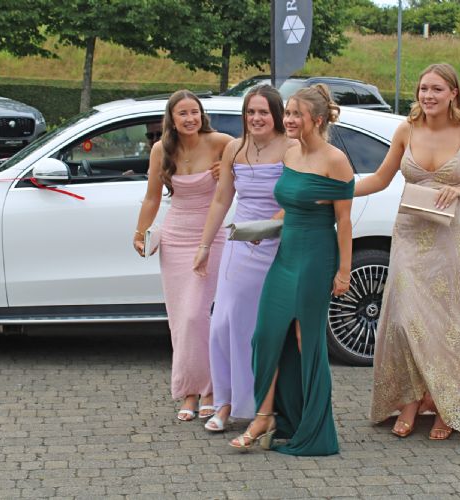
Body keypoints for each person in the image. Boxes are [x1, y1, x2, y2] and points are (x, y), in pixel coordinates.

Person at [354, 63, 460, 440]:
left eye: (437, 89)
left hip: (450, 240)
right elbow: (380, 179)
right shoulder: (406, 129)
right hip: (409, 236)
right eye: (424, 88)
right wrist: (336, 190)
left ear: (453, 93)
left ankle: (445, 405)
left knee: (446, 326)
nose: (428, 95)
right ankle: (409, 401)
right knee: (405, 321)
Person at [228, 84, 354, 455]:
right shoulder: (291, 152)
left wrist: (344, 271)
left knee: (305, 340)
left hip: (316, 257)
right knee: (265, 336)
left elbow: (344, 222)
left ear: (318, 119)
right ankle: (265, 416)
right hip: (285, 256)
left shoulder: (335, 161)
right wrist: (264, 228)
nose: (289, 120)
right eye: (288, 113)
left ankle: (311, 426)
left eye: (297, 114)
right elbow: (291, 204)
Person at [193, 85, 297, 432]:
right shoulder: (234, 148)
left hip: (275, 246)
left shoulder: (292, 148)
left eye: (263, 112)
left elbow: (297, 199)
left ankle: (254, 406)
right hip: (238, 244)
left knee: (253, 329)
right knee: (222, 324)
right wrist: (205, 245)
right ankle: (224, 401)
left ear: (276, 115)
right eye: (251, 112)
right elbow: (222, 199)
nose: (256, 118)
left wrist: (269, 227)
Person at [133, 90, 233, 421]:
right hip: (175, 239)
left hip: (211, 237)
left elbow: (253, 164)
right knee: (180, 321)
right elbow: (152, 197)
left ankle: (211, 390)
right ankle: (189, 392)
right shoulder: (161, 149)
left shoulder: (221, 142)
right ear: (172, 120)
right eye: (183, 114)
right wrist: (140, 232)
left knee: (199, 316)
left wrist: (229, 170)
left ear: (201, 115)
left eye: (194, 112)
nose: (190, 119)